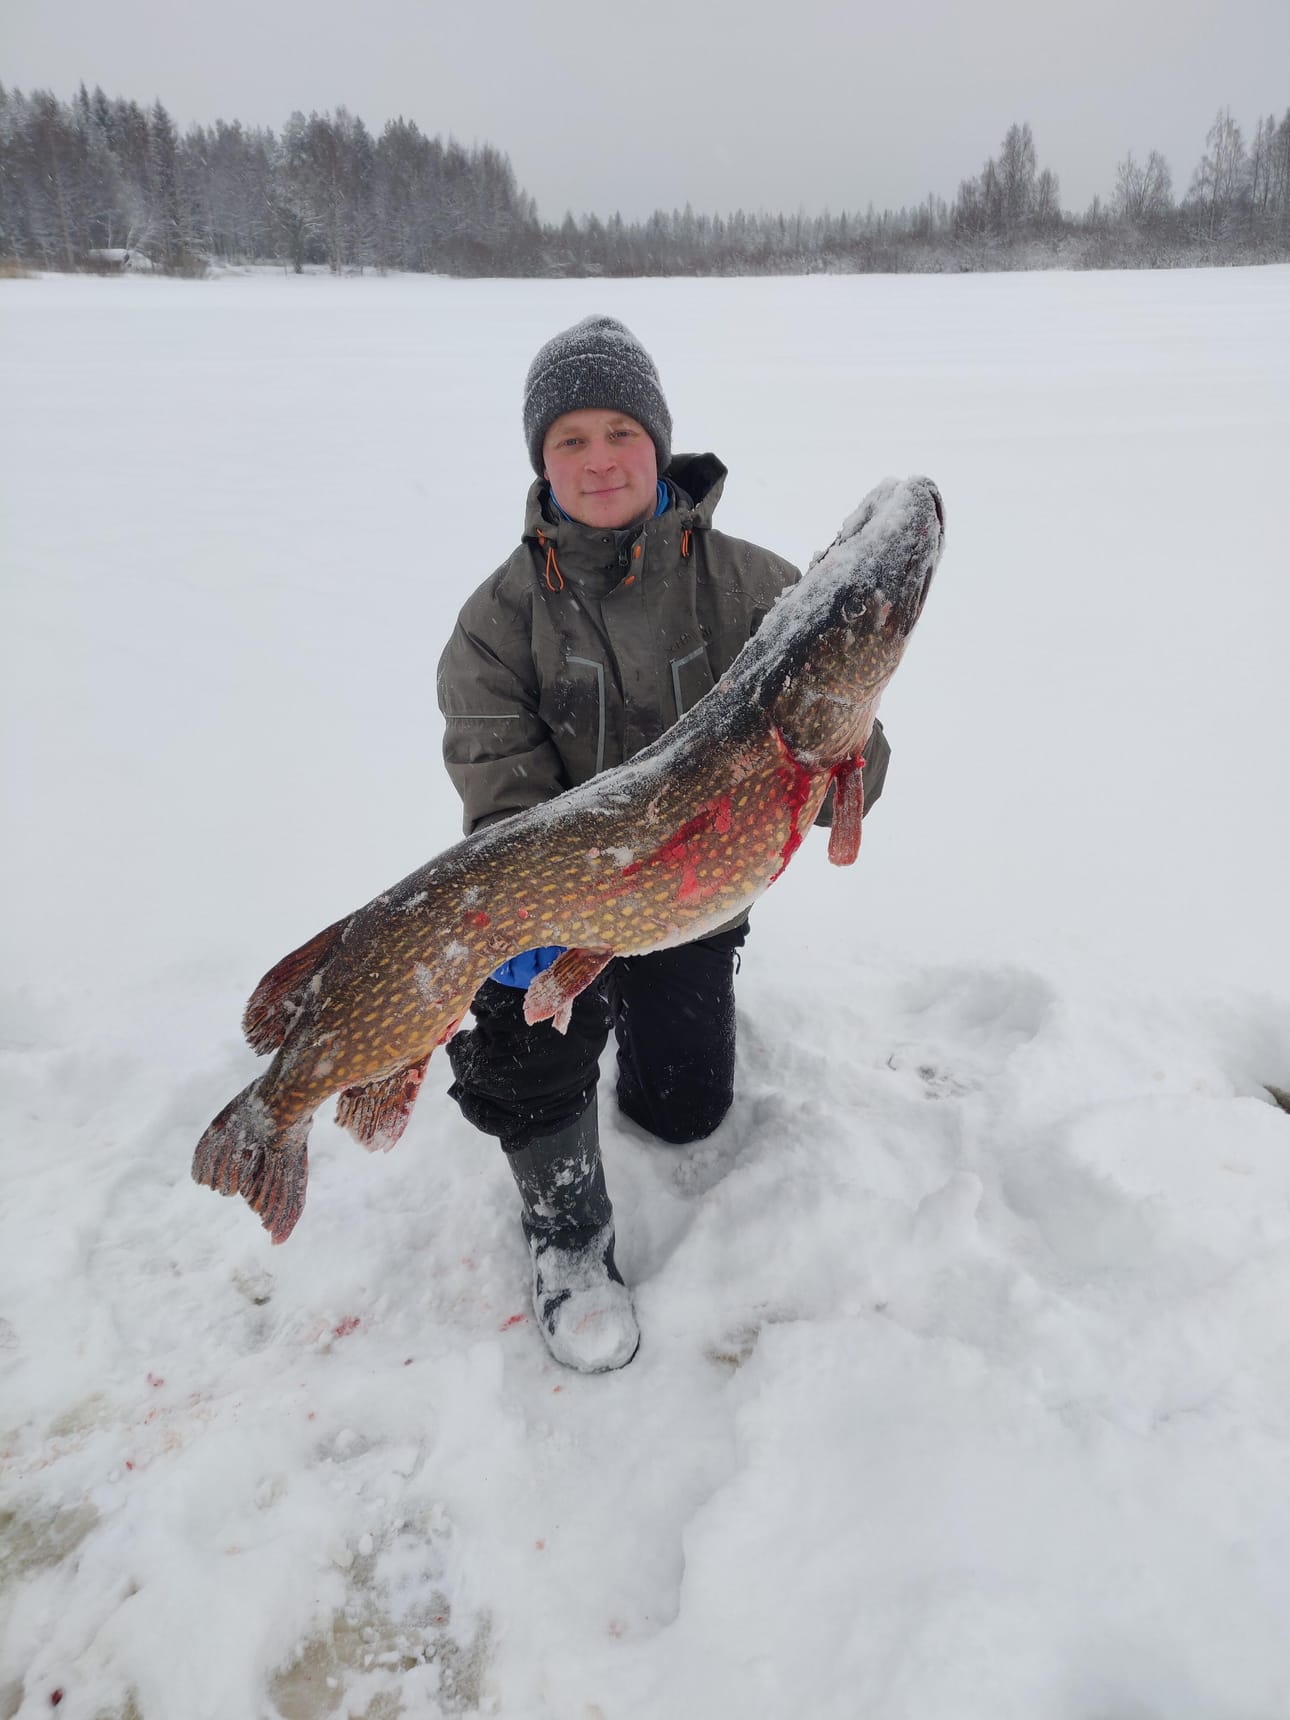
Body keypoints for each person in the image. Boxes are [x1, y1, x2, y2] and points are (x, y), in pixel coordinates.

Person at [436, 316, 889, 1373]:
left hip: (693, 900)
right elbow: (504, 804)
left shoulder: (752, 586)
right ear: (540, 460)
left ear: (659, 440)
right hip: (557, 906)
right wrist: (531, 925)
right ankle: (567, 1231)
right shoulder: (496, 624)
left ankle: (655, 1017)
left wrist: (848, 766)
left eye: (620, 432)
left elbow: (854, 763)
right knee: (522, 1040)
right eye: (570, 441)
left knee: (683, 1116)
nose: (599, 460)